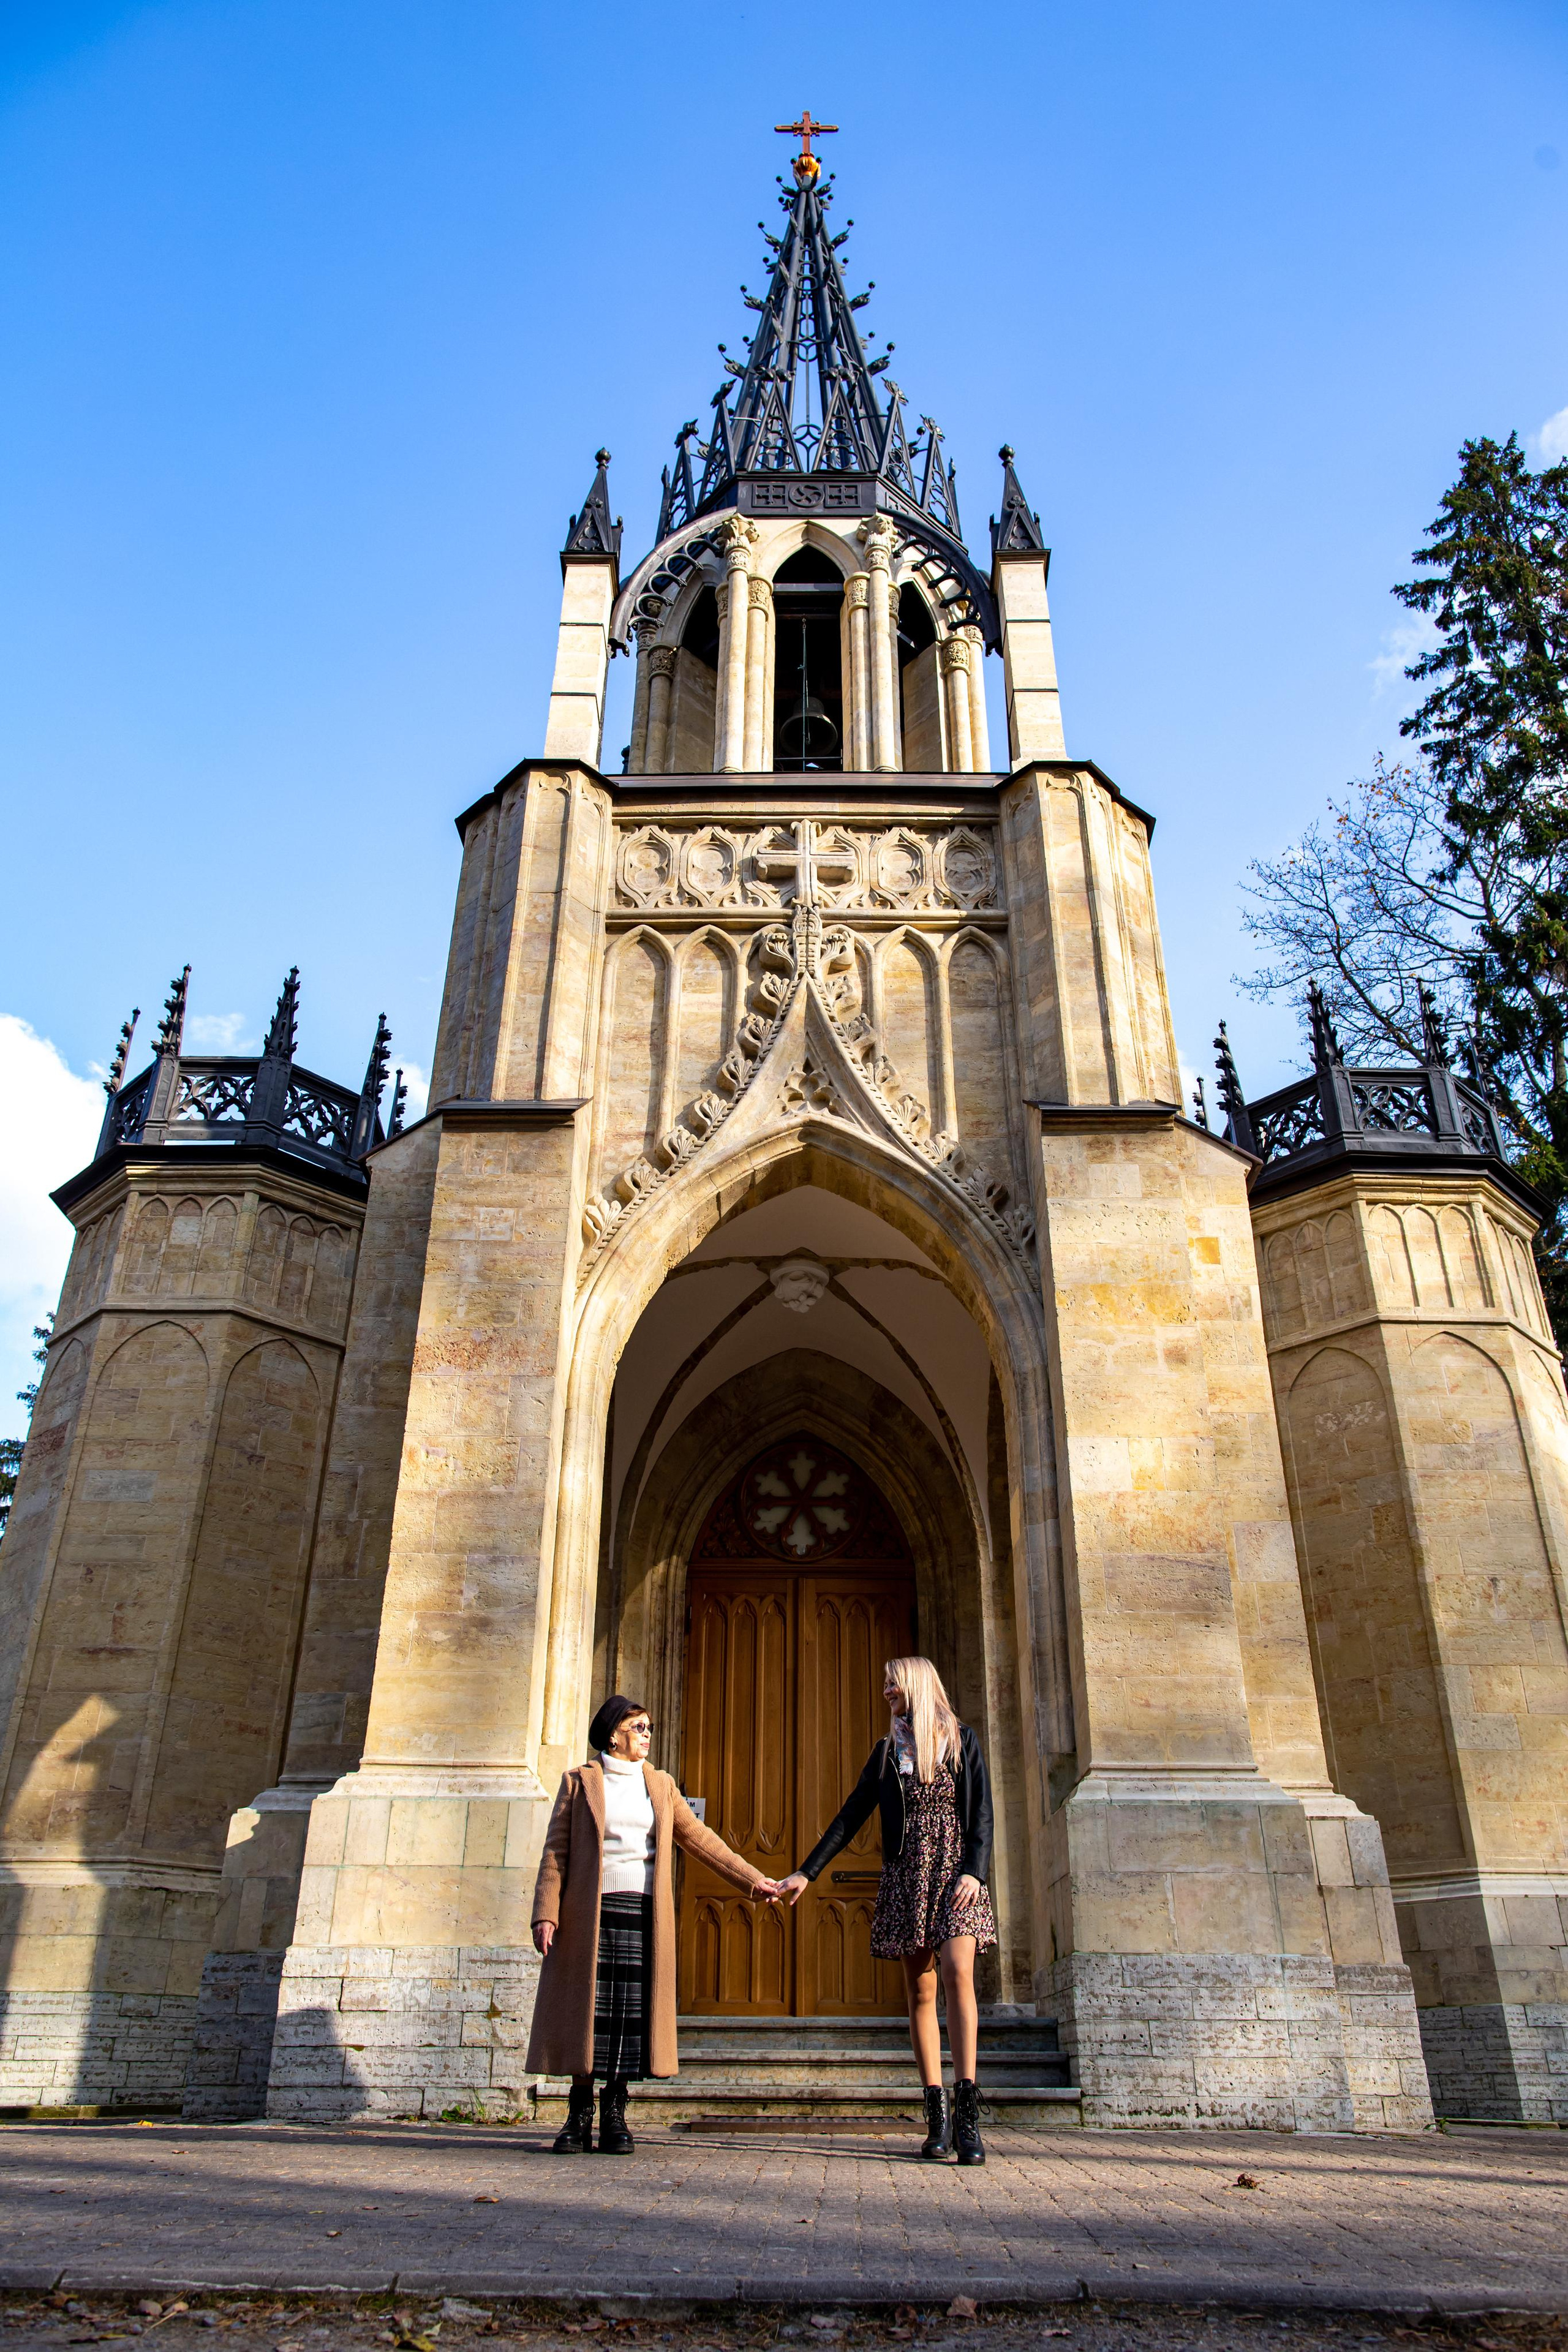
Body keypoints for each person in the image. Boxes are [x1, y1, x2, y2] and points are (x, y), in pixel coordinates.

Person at [527, 1694, 782, 2153]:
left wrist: (752, 1879)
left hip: (643, 1910)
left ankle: (616, 2114)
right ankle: (578, 2113)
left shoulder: (660, 1785)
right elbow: (555, 1853)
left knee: (627, 2016)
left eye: (648, 1729)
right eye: (638, 1728)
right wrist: (546, 1912)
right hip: (590, 1910)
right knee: (590, 2012)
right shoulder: (579, 1781)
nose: (646, 1736)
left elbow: (700, 1839)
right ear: (613, 1734)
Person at [776, 1655, 995, 2165]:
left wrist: (974, 1872)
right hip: (906, 1876)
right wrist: (806, 1872)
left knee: (959, 1973)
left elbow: (981, 1811)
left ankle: (969, 2117)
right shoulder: (885, 1753)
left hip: (956, 1876)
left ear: (916, 1683)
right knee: (921, 1990)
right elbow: (851, 1814)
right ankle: (936, 2118)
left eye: (892, 1683)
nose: (885, 1692)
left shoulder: (962, 1740)